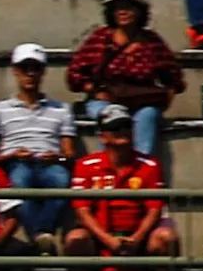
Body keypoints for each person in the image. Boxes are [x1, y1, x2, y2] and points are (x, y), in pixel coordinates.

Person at [67, 0, 180, 163]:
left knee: (148, 116)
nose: (122, 11)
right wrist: (95, 91)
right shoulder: (100, 38)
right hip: (105, 99)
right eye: (118, 7)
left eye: (128, 7)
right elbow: (74, 75)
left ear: (139, 11)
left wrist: (166, 98)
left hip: (141, 102)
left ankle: (141, 171)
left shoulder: (151, 41)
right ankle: (109, 168)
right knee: (111, 115)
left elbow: (174, 77)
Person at [62, 100, 174, 258]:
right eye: (115, 128)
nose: (122, 131)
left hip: (140, 237)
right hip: (99, 236)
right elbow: (82, 211)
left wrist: (135, 239)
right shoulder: (85, 165)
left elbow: (154, 210)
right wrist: (108, 240)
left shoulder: (150, 165)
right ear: (102, 137)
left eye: (126, 126)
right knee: (76, 239)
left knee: (165, 237)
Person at [0, 41, 76, 238]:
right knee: (19, 182)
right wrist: (12, 155)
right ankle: (42, 236)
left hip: (50, 162)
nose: (30, 73)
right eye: (24, 68)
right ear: (15, 71)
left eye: (36, 68)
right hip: (16, 162)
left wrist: (58, 157)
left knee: (61, 179)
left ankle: (40, 234)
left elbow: (69, 153)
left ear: (43, 72)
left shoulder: (62, 109)